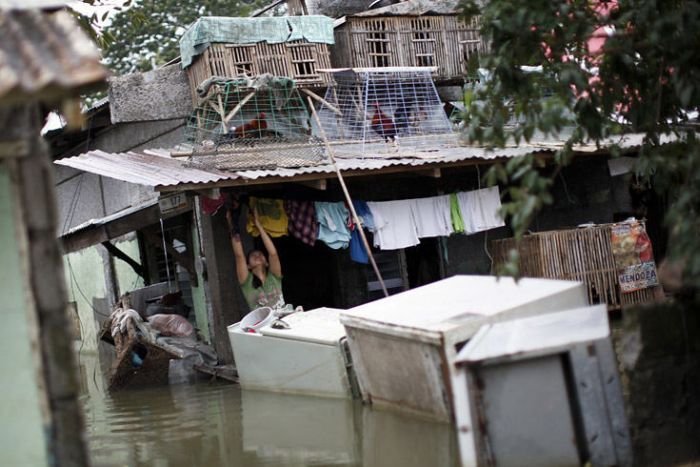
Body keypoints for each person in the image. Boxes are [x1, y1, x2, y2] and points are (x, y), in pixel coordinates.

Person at [227, 203, 285, 310]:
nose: (257, 255)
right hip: (262, 326)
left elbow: (273, 254)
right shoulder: (247, 282)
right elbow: (239, 255)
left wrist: (259, 226)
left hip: (284, 320)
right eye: (253, 255)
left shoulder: (274, 277)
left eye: (260, 254)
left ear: (267, 263)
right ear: (248, 266)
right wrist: (232, 225)